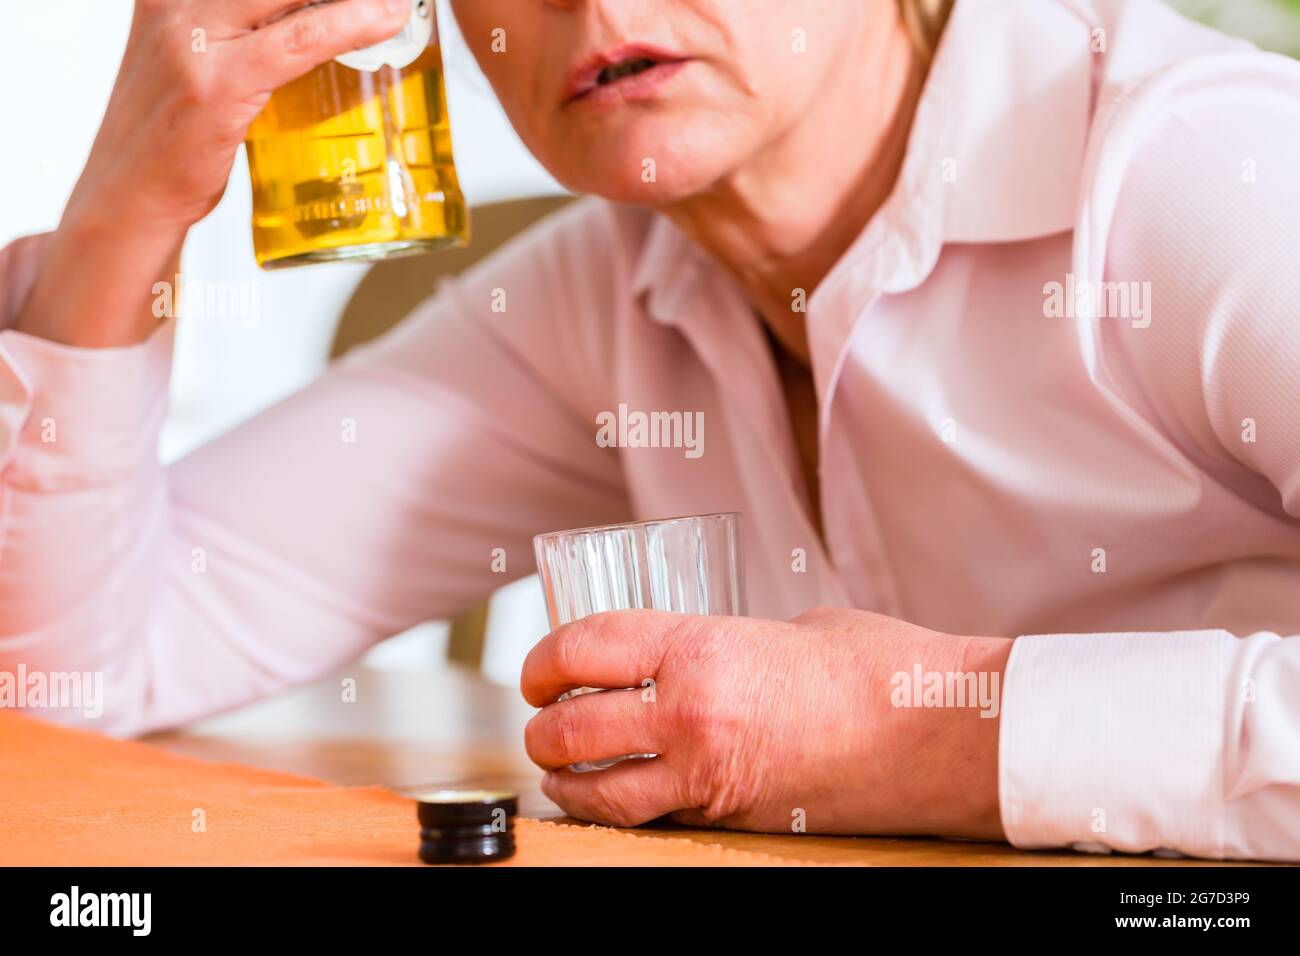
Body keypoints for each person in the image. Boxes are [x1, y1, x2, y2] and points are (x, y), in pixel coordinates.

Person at [1, 0, 1298, 860]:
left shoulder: (1203, 177)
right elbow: (65, 676)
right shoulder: (601, 301)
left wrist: (918, 732)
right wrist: (123, 212)